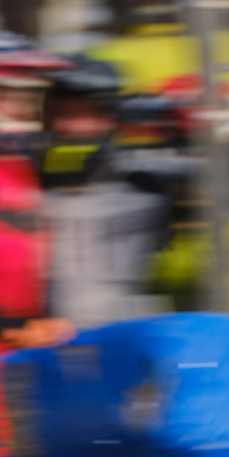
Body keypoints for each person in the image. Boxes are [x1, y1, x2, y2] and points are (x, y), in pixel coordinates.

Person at [34, 59, 192, 329]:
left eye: (74, 114)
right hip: (46, 343)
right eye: (53, 113)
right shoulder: (26, 184)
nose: (61, 126)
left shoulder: (146, 186)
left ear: (107, 118)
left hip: (124, 339)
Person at [0, 33, 75, 457]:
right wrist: (7, 326)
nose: (24, 110)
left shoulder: (17, 169)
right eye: (10, 96)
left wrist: (46, 319)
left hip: (13, 369)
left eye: (31, 97)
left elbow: (29, 261)